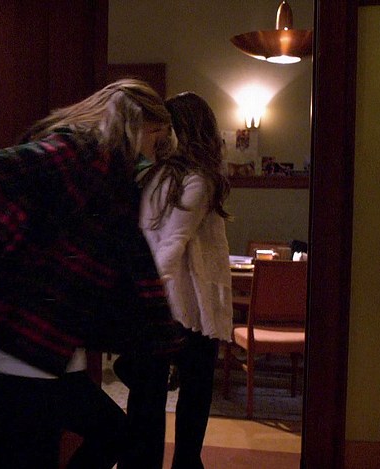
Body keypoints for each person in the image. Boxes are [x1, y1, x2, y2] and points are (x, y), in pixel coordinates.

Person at [0, 79, 183, 469]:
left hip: (48, 347)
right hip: (13, 345)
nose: (152, 153)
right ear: (140, 126)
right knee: (52, 452)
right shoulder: (71, 157)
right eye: (156, 139)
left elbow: (121, 257)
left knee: (114, 433)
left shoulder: (108, 179)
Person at [134, 91, 235, 469]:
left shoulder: (159, 175)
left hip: (170, 294)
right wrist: (148, 293)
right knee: (194, 389)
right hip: (188, 298)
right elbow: (172, 243)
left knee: (151, 393)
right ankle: (186, 463)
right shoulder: (197, 179)